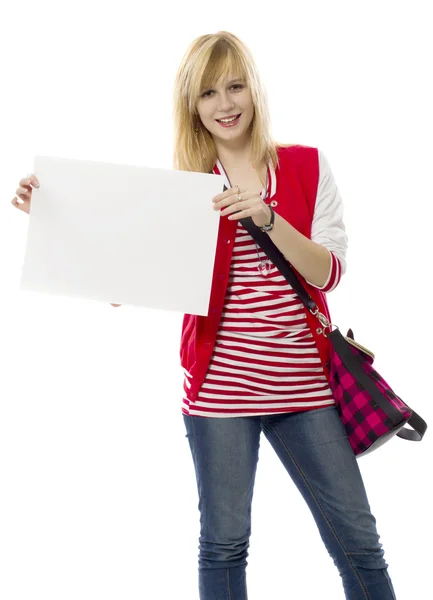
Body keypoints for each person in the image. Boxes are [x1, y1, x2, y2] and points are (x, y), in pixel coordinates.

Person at [11, 31, 397, 600]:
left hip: (306, 389)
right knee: (223, 546)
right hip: (218, 393)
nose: (225, 104)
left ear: (254, 90)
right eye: (209, 92)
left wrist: (268, 218)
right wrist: (53, 214)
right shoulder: (186, 189)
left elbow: (328, 273)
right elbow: (128, 281)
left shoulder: (307, 167)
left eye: (235, 86)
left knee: (358, 543)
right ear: (192, 106)